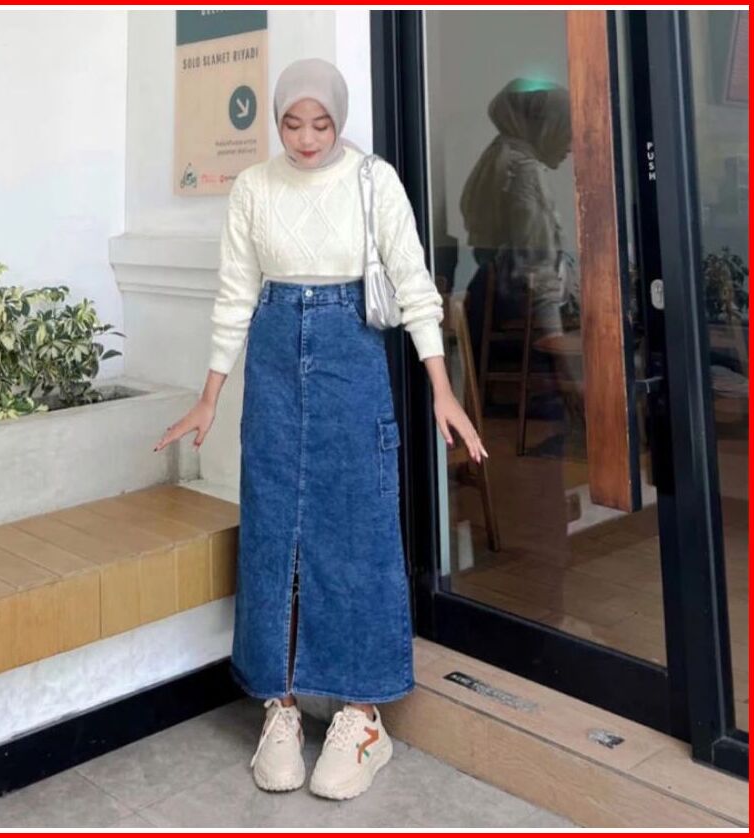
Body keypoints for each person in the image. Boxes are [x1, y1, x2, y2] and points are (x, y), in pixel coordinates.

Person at [155, 57, 486, 801]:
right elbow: (235, 294)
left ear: (340, 120)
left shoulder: (374, 180)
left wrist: (442, 388)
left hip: (351, 354)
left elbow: (414, 286)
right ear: (277, 121)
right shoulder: (253, 188)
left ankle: (363, 719)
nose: (306, 138)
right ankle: (278, 707)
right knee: (271, 527)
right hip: (273, 355)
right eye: (292, 123)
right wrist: (210, 396)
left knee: (359, 528)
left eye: (322, 123)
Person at [459, 77, 578, 372]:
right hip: (522, 328)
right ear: (546, 126)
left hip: (492, 312)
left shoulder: (495, 155)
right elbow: (536, 262)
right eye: (566, 129)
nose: (571, 145)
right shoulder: (525, 171)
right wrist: (556, 341)